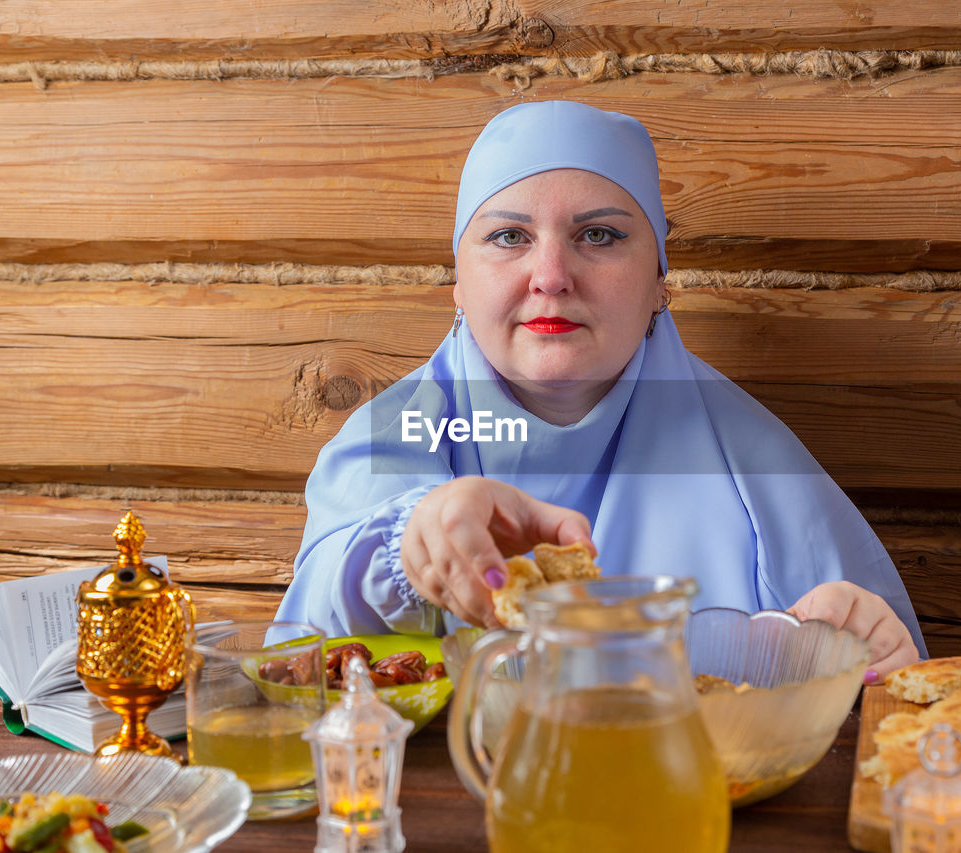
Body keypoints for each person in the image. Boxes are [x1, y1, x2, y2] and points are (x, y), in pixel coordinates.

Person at [276, 100, 926, 679]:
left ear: (659, 284)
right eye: (509, 236)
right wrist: (413, 546)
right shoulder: (395, 437)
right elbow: (322, 610)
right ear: (458, 283)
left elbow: (883, 685)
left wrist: (872, 658)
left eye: (599, 235)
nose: (551, 275)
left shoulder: (753, 459)